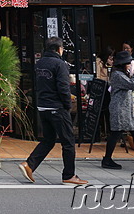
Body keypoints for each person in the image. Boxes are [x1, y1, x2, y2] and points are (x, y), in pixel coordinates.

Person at [19, 37, 87, 186]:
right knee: (68, 142)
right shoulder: (60, 64)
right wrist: (68, 105)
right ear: (59, 49)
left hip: (43, 107)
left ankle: (29, 165)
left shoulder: (40, 63)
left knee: (49, 140)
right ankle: (69, 175)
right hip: (57, 108)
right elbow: (63, 88)